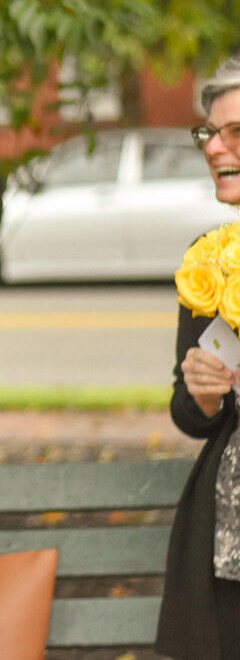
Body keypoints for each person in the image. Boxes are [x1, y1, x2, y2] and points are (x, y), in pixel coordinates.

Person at [157, 54, 240, 660]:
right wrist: (205, 394)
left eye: (235, 132)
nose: (215, 147)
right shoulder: (210, 260)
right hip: (228, 543)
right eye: (209, 132)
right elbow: (189, 413)